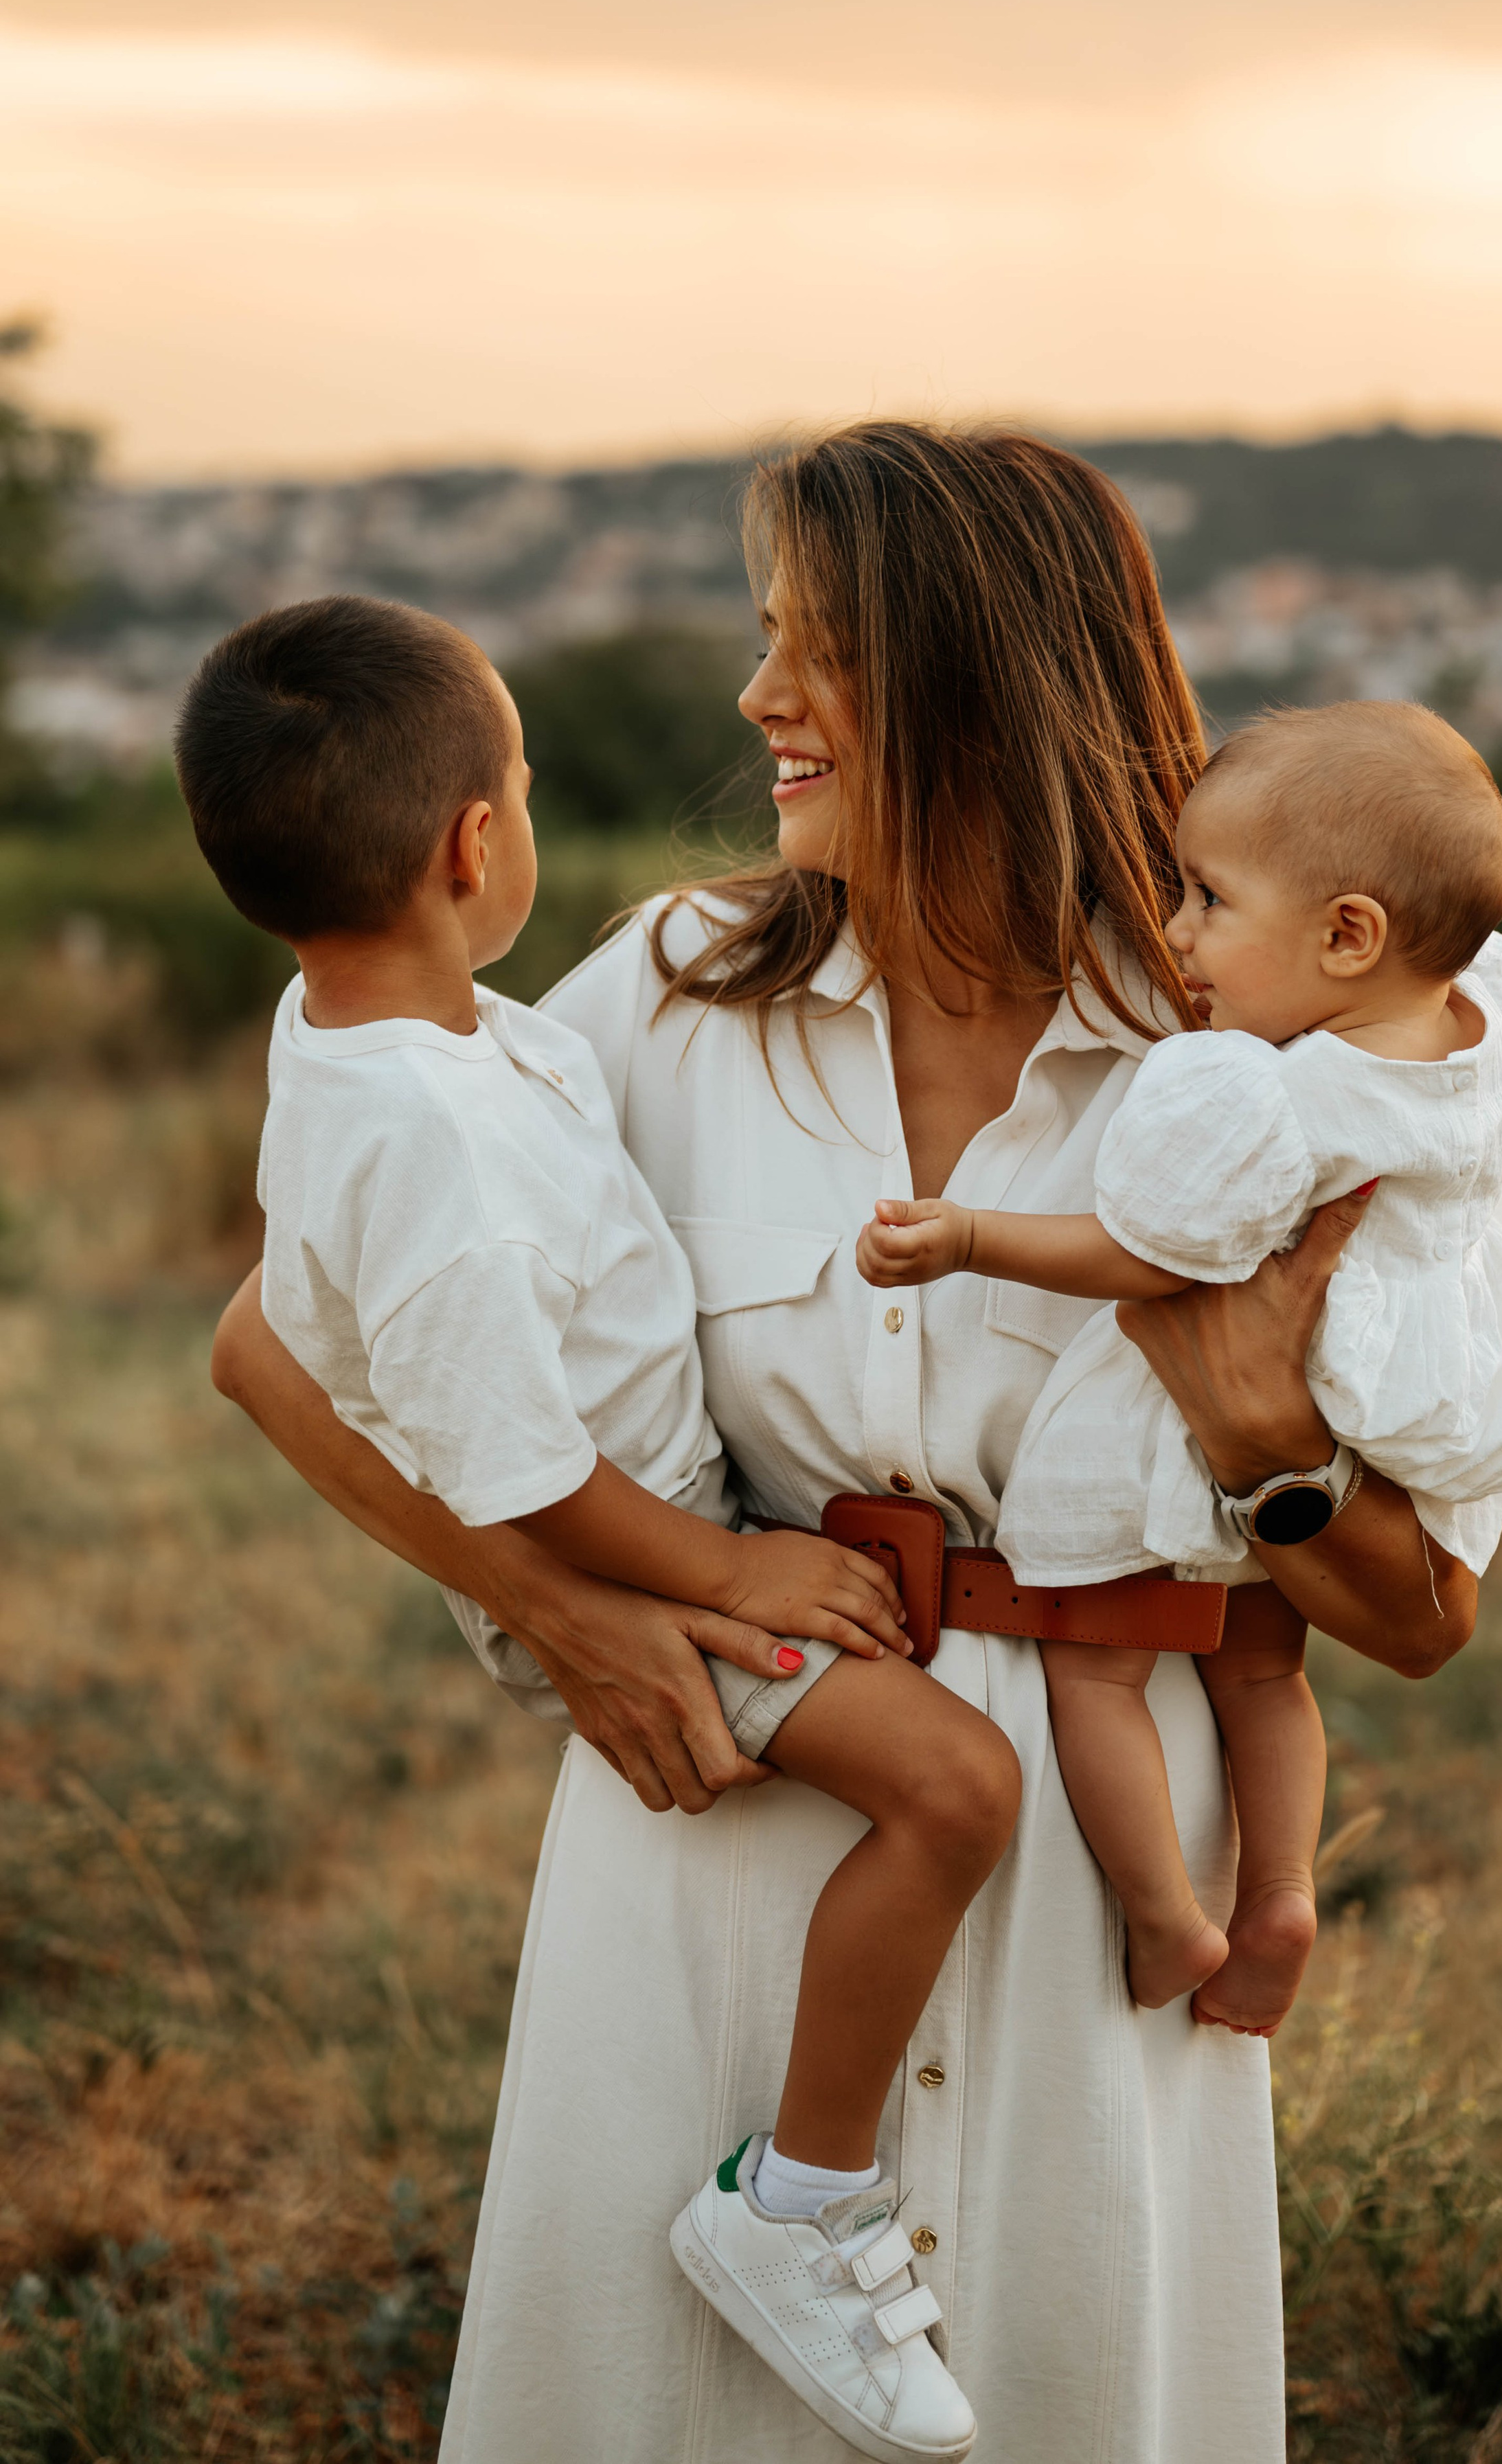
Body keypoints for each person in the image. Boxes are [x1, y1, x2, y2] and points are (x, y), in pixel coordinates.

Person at [210, 422, 1483, 2464]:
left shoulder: (1262, 1080)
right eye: (766, 640)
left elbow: (1425, 1619)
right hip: (720, 1823)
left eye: (818, 650)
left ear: (975, 678)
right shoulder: (659, 999)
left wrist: (1259, 1431)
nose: (758, 699)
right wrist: (568, 1613)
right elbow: (277, 1337)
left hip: (1101, 1872)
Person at [174, 590, 1020, 2461]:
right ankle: (797, 2205)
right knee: (958, 1788)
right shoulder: (439, 1144)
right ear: (479, 843)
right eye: (530, 787)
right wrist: (715, 1570)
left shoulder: (438, 1048)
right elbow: (517, 1472)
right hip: (652, 1575)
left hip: (662, 1544)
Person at [856, 700, 1502, 2036]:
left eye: (1206, 899)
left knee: (1096, 1666)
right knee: (1261, 1671)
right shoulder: (1473, 1016)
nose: (1176, 931)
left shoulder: (1264, 1093)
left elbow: (1148, 1252)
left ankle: (1162, 1918)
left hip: (1243, 1387)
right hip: (1420, 1373)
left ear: (1346, 935)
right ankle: (1285, 1891)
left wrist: (967, 1235)